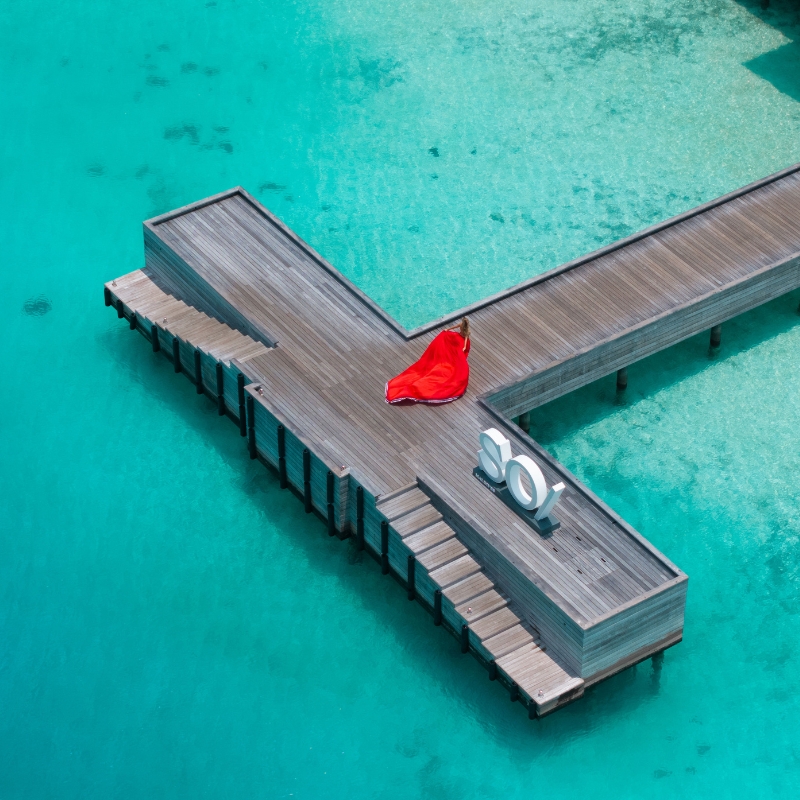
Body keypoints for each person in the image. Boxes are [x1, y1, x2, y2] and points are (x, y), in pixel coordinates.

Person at [385, 317, 472, 404]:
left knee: (452, 354)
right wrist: (447, 330)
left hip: (459, 342)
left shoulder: (466, 332)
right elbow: (460, 337)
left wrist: (461, 347)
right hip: (458, 341)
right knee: (451, 352)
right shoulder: (464, 329)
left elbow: (464, 343)